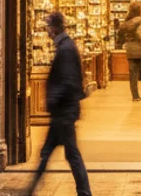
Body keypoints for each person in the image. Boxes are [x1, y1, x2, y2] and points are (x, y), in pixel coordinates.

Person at [27, 11, 90, 196]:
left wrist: (54, 99)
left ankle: (84, 192)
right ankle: (30, 189)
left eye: (47, 26)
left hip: (63, 112)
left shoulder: (66, 49)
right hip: (62, 112)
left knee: (70, 154)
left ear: (54, 28)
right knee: (50, 152)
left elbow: (69, 81)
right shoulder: (65, 46)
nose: (46, 30)